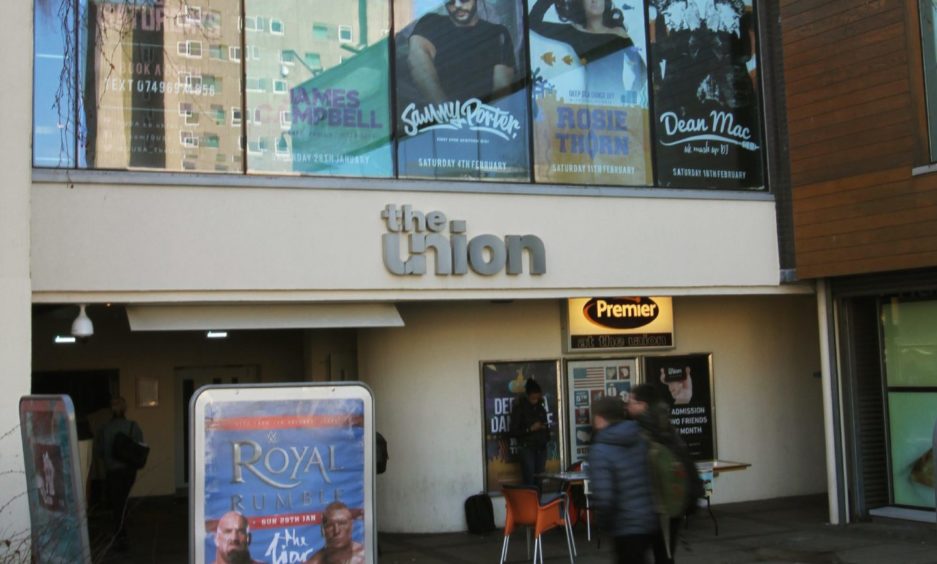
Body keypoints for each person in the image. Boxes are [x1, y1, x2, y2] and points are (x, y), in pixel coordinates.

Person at [629, 384, 701, 564]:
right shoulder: (667, 428)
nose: (627, 405)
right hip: (671, 504)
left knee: (636, 555)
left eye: (630, 401)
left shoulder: (640, 431)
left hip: (651, 506)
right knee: (665, 555)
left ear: (643, 405)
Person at [529, 0, 647, 100]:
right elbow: (533, 22)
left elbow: (641, 70)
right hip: (591, 104)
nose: (594, 0)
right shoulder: (574, 32)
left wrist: (630, 97)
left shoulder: (619, 34)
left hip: (617, 103)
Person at [588, 396, 657, 564]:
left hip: (624, 525)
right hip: (648, 519)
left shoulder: (600, 449)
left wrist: (604, 522)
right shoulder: (639, 438)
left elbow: (604, 497)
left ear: (599, 418)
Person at [407, 0, 516, 104]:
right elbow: (418, 58)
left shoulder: (496, 33)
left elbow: (502, 89)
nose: (458, 5)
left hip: (483, 118)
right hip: (435, 118)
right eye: (451, 1)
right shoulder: (431, 23)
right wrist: (443, 109)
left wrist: (486, 119)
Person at [93, 396, 143, 550]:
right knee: (122, 498)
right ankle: (121, 528)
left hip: (112, 471)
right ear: (125, 409)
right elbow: (140, 447)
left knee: (117, 501)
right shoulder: (133, 426)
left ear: (111, 410)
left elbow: (99, 451)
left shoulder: (104, 428)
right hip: (129, 471)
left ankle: (120, 533)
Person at [510, 378, 550, 486]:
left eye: (538, 398)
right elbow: (513, 431)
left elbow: (546, 426)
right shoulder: (519, 408)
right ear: (528, 396)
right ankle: (530, 502)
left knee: (540, 478)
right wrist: (530, 429)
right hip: (527, 447)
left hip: (541, 447)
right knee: (529, 478)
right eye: (533, 398)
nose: (536, 400)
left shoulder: (541, 408)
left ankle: (538, 501)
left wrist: (545, 430)